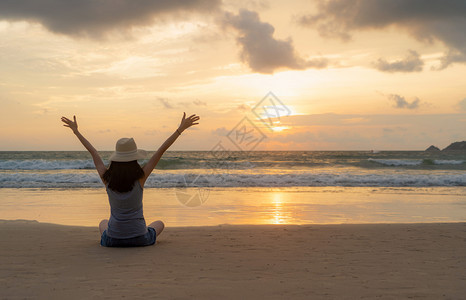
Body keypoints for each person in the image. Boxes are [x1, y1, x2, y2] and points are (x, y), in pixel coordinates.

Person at [61, 113, 200, 247]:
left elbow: (93, 152)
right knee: (159, 224)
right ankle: (136, 229)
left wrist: (76, 132)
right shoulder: (141, 177)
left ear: (115, 159)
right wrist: (180, 129)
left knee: (103, 223)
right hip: (140, 239)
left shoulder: (107, 178)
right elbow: (161, 150)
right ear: (134, 158)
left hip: (113, 240)